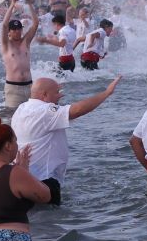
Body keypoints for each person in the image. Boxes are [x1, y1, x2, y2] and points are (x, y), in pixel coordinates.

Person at [11, 74, 119, 206]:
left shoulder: (21, 109)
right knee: (50, 224)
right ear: (44, 95)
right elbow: (77, 110)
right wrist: (106, 93)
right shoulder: (44, 111)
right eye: (57, 92)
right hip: (44, 180)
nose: (60, 96)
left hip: (23, 178)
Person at [0, 0, 38, 109]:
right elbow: (4, 25)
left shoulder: (26, 42)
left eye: (19, 29)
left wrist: (29, 3)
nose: (18, 31)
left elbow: (35, 24)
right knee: (12, 118)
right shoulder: (6, 44)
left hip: (29, 86)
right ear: (9, 32)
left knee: (31, 116)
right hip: (13, 88)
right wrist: (12, 3)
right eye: (14, 29)